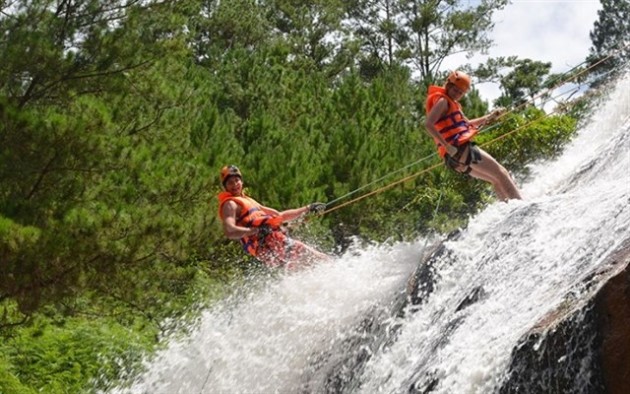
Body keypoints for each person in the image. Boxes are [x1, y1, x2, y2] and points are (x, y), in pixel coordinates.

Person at [424, 70, 522, 201]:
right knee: (501, 173)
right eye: (455, 90)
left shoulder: (454, 105)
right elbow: (428, 124)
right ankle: (522, 206)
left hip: (454, 158)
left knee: (495, 179)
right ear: (448, 85)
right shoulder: (442, 101)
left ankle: (509, 210)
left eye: (460, 93)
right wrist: (447, 146)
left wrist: (490, 116)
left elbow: (468, 124)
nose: (457, 94)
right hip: (458, 149)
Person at [217, 165, 331, 269]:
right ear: (225, 187)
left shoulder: (249, 201)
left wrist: (307, 208)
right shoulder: (230, 204)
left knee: (308, 269)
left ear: (241, 181)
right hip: (269, 244)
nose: (235, 184)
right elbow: (230, 231)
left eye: (237, 180)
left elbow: (280, 216)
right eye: (230, 182)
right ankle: (341, 273)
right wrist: (256, 230)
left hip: (271, 247)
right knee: (322, 259)